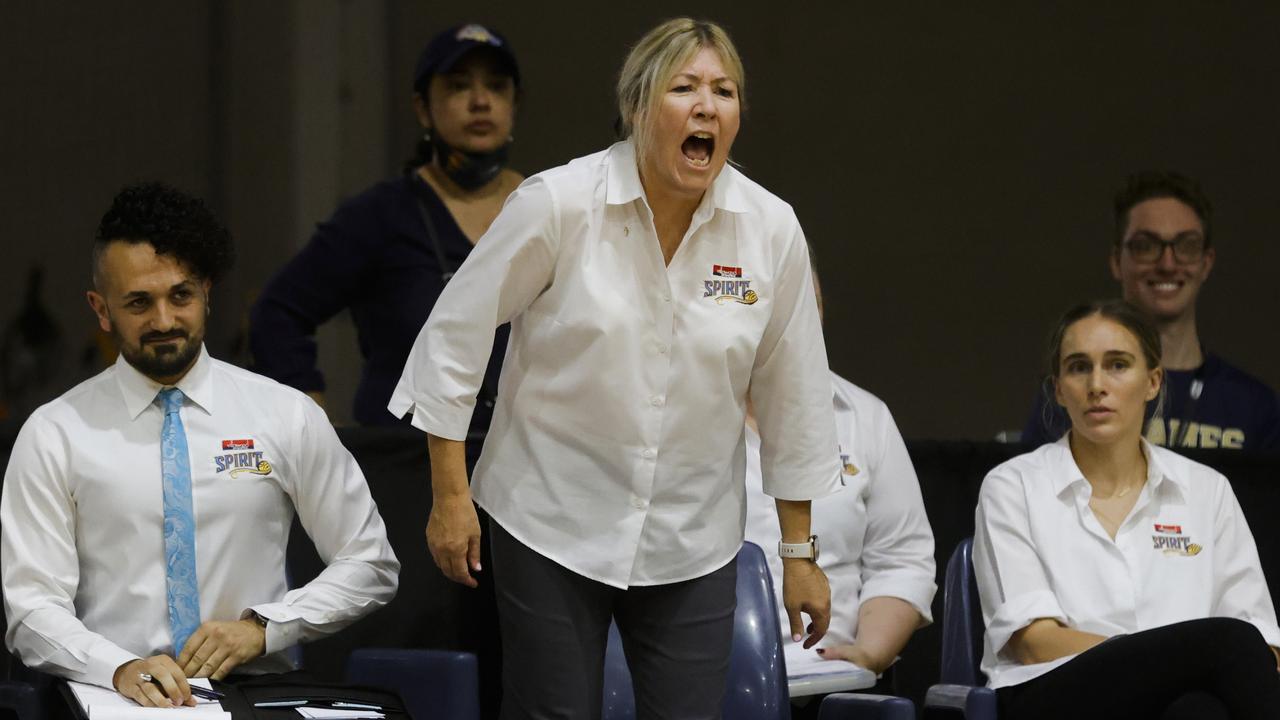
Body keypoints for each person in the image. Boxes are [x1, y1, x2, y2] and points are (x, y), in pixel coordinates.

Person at [389, 18, 841, 719]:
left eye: (723, 91)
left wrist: (799, 552)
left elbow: (795, 394)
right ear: (636, 108)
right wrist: (451, 497)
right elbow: (456, 336)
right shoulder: (560, 203)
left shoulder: (770, 228)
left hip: (694, 535)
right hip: (549, 516)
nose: (706, 106)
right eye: (684, 87)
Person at [1, 183, 399, 708]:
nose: (164, 320)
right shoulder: (55, 432)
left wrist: (265, 627)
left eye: (180, 295)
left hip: (257, 693)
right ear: (101, 309)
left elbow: (371, 563)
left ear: (207, 290)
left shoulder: (284, 413)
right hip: (111, 697)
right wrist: (117, 667)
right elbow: (31, 608)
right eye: (139, 302)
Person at [977, 299, 1280, 719]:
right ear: (1059, 388)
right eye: (1079, 367)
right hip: (1054, 696)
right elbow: (1034, 643)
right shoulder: (1013, 486)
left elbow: (1265, 642)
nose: (1097, 384)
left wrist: (1167, 670)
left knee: (1196, 712)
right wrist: (1170, 660)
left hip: (1181, 697)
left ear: (1153, 382)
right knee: (1229, 645)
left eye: (1117, 365)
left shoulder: (1206, 489)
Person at [249, 22, 523, 439]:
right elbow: (277, 312)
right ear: (422, 108)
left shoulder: (549, 206)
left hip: (521, 472)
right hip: (406, 465)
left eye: (497, 87)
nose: (481, 101)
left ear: (513, 104)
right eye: (458, 86)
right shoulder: (383, 214)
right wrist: (309, 418)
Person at [743, 269, 935, 718]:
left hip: (834, 692)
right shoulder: (672, 418)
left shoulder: (864, 417)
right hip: (704, 687)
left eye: (803, 302)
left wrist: (870, 652)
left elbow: (901, 559)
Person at [1021, 172, 1280, 451]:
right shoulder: (1079, 390)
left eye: (1186, 246)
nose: (1168, 264)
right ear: (1116, 261)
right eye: (1146, 246)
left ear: (1206, 262)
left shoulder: (1255, 405)